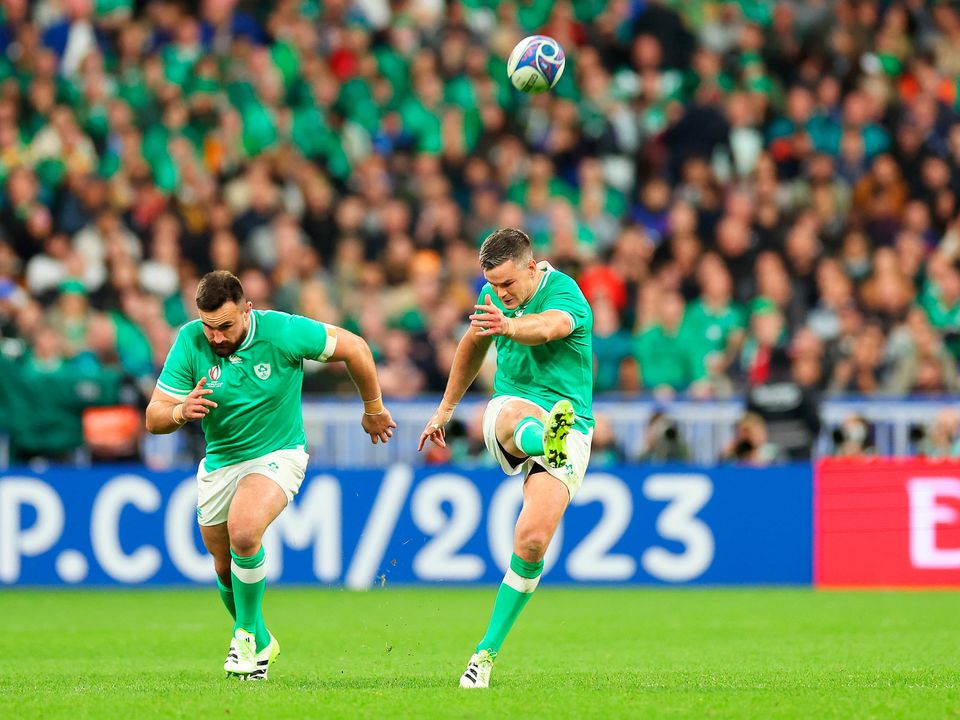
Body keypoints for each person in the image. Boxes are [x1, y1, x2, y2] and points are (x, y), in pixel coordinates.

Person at [145, 270, 395, 680]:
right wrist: (178, 411)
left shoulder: (282, 331)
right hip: (220, 462)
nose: (216, 338)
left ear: (247, 310)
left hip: (279, 454)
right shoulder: (190, 339)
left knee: (244, 531)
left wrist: (373, 408)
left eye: (225, 326)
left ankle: (243, 636)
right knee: (224, 565)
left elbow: (356, 347)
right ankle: (261, 639)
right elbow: (154, 416)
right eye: (209, 327)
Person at [418, 228, 594, 689]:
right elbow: (473, 346)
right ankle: (542, 441)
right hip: (516, 408)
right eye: (493, 287)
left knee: (532, 541)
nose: (500, 294)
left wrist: (509, 325)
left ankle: (485, 654)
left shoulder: (565, 293)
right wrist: (446, 408)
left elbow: (549, 327)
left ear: (532, 269)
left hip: (572, 420)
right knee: (506, 414)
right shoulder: (492, 297)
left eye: (508, 286)